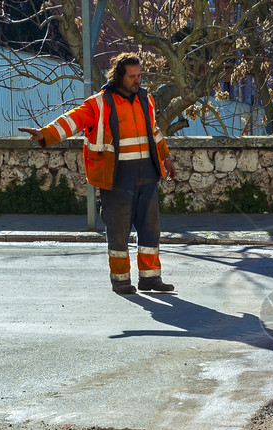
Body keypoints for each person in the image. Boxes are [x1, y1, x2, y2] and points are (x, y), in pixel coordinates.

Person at [20, 53, 178, 294]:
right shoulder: (99, 103)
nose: (137, 81)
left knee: (150, 230)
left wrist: (165, 158)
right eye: (132, 76)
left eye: (139, 76)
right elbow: (72, 120)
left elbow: (154, 132)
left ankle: (150, 278)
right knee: (118, 232)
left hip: (147, 175)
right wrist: (46, 134)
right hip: (116, 177)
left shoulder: (147, 100)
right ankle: (121, 281)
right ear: (119, 76)